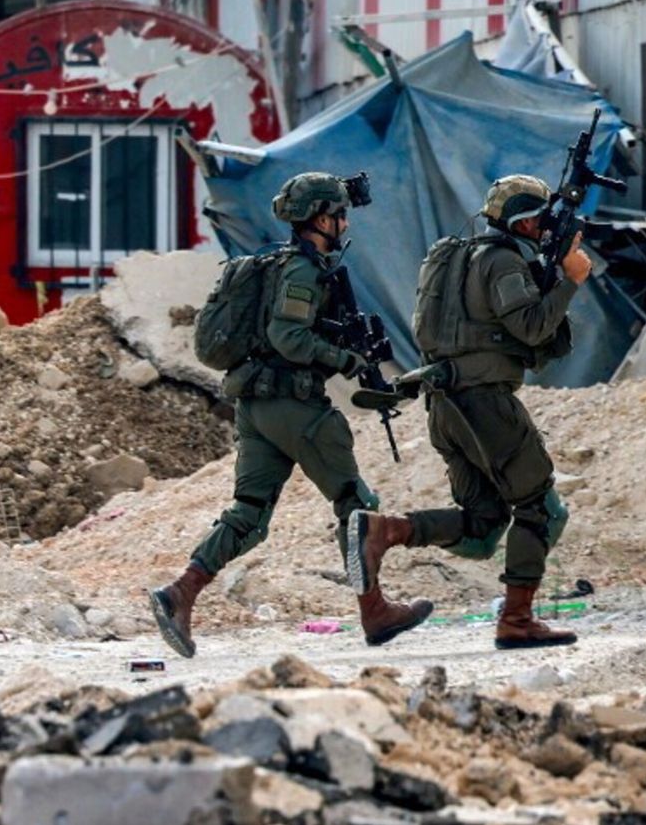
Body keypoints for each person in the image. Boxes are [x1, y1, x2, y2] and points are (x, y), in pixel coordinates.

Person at [150, 173, 432, 657]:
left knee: (249, 515)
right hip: (294, 406)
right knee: (357, 507)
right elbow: (289, 339)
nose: (345, 224)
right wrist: (348, 360)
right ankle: (375, 610)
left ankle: (180, 594)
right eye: (340, 215)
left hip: (256, 407)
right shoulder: (302, 272)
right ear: (321, 218)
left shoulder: (274, 265)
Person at [348, 175, 588, 649]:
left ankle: (386, 530)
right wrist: (571, 281)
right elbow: (534, 326)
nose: (544, 230)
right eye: (539, 221)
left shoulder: (456, 257)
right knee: (540, 508)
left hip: (445, 403)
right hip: (485, 403)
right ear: (523, 220)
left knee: (482, 524)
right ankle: (517, 620)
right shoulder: (501, 262)